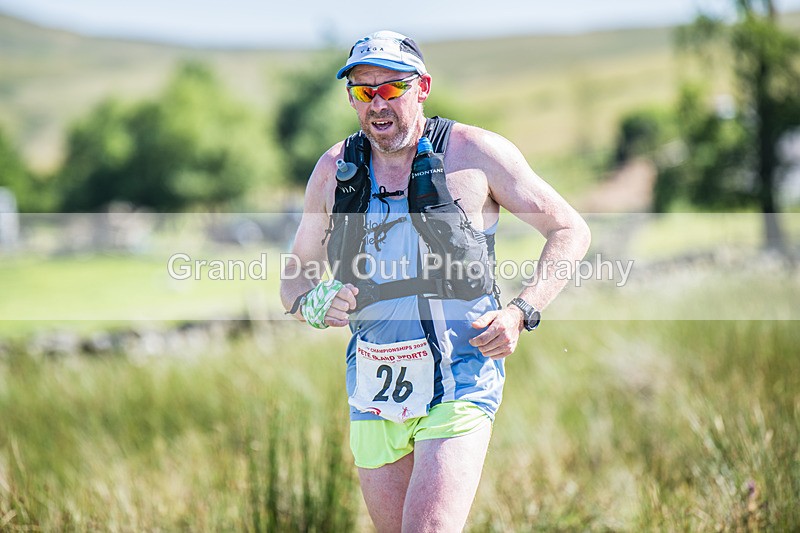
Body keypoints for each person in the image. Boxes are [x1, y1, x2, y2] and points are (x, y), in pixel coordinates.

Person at [280, 30, 591, 532]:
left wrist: (522, 310)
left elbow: (569, 229)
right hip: (373, 387)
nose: (377, 103)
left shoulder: (474, 153)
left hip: (461, 378)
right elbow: (294, 276)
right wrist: (314, 304)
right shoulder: (335, 169)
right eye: (364, 90)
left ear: (422, 87)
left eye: (392, 88)